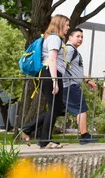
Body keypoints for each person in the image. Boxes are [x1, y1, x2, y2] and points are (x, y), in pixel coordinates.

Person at [20, 14, 70, 149]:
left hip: (50, 74)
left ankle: (28, 129)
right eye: (66, 25)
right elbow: (52, 59)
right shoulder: (54, 38)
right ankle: (44, 140)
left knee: (57, 108)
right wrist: (54, 80)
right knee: (55, 107)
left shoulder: (52, 38)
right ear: (60, 25)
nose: (68, 27)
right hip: (50, 74)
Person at [63, 27, 98, 144]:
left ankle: (28, 128)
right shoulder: (69, 50)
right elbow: (61, 66)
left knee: (56, 111)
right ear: (70, 37)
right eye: (78, 36)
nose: (80, 39)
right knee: (81, 109)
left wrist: (87, 81)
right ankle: (84, 136)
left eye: (82, 37)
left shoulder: (74, 51)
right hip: (70, 85)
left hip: (70, 85)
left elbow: (75, 70)